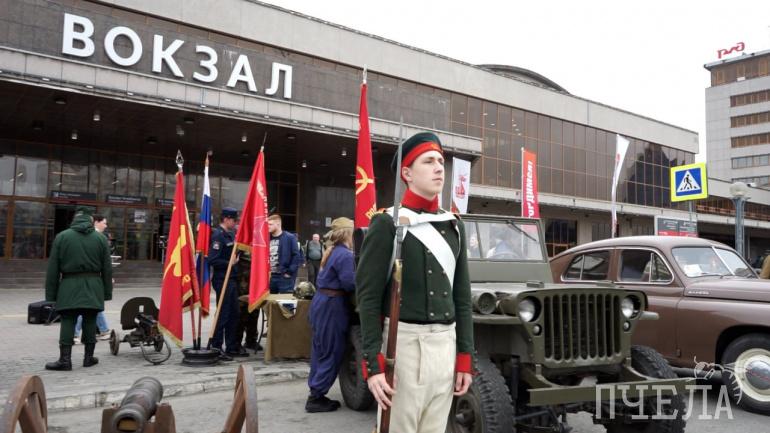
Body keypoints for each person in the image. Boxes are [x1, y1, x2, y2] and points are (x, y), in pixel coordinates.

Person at [356, 132, 474, 433]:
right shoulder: (387, 223)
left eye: (441, 162)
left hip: (445, 346)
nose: (439, 168)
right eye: (429, 161)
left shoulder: (454, 225)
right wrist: (374, 364)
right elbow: (368, 299)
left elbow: (462, 297)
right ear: (407, 174)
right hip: (403, 346)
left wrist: (464, 358)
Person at [44, 206, 113, 371]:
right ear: (91, 220)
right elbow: (107, 268)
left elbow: (53, 269)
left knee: (68, 320)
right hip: (94, 285)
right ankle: (88, 358)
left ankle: (65, 360)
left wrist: (51, 295)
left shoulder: (62, 237)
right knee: (90, 320)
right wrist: (106, 293)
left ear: (75, 218)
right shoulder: (101, 239)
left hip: (68, 285)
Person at [306, 217, 355, 413]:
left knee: (320, 349)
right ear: (348, 234)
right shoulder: (345, 255)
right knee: (332, 350)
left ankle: (315, 390)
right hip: (332, 306)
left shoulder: (332, 251)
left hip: (321, 302)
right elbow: (349, 283)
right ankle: (316, 396)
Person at [209, 208, 243, 361]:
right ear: (226, 219)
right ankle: (216, 346)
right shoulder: (218, 236)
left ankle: (231, 346)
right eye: (234, 220)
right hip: (222, 279)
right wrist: (230, 262)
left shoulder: (231, 235)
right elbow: (213, 259)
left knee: (234, 314)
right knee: (223, 314)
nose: (235, 223)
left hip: (232, 278)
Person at [74, 214, 112, 343]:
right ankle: (75, 333)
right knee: (87, 305)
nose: (106, 226)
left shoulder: (82, 236)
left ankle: (103, 330)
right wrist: (107, 278)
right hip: (93, 278)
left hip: (83, 277)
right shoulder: (97, 237)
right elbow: (104, 263)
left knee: (91, 305)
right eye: (104, 223)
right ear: (95, 222)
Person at [236, 250, 262, 353]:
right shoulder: (242, 240)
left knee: (255, 309)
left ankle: (251, 340)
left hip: (257, 269)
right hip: (243, 272)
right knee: (242, 312)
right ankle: (237, 342)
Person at [268, 214, 302, 294]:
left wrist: (289, 272)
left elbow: (296, 256)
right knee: (269, 301)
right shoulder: (266, 238)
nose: (268, 226)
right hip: (269, 277)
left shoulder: (290, 237)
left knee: (285, 300)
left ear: (278, 224)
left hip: (284, 276)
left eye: (270, 224)